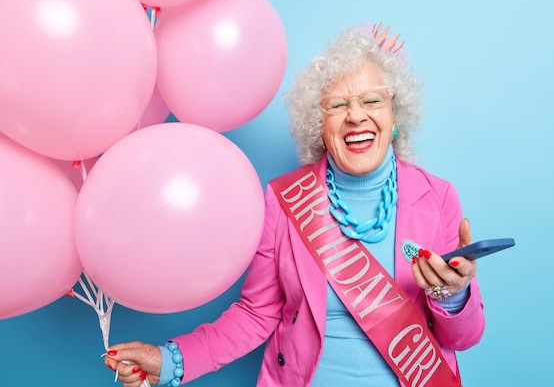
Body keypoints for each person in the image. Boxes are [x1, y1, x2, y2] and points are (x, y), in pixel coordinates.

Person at [104, 23, 485, 387]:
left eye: (372, 100)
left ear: (394, 115)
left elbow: (463, 338)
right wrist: (170, 361)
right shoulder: (286, 200)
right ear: (318, 124)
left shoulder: (438, 197)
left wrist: (452, 295)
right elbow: (256, 313)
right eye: (337, 105)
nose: (355, 116)